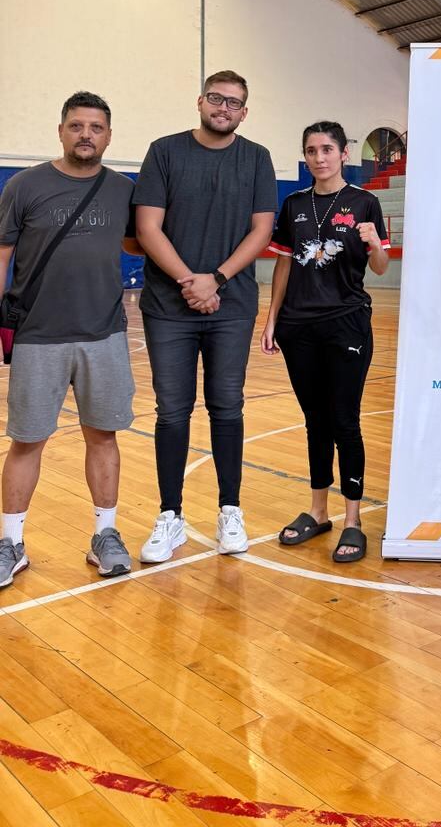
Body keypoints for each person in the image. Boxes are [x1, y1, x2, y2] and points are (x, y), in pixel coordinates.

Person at [134, 70, 276, 563]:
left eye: (234, 102)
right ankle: (169, 516)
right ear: (200, 101)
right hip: (168, 308)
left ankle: (229, 511)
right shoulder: (164, 151)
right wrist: (190, 283)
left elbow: (261, 231)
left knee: (227, 407)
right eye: (217, 99)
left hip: (231, 307)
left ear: (244, 111)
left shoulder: (256, 158)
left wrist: (214, 278)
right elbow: (148, 227)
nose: (224, 108)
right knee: (172, 411)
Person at [0, 92, 137, 587]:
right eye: (77, 125)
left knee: (103, 435)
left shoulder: (123, 189)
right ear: (61, 131)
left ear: (108, 135)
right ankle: (10, 543)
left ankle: (106, 535)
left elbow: (140, 240)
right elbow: (2, 254)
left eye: (96, 127)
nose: (86, 134)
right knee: (26, 440)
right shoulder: (25, 185)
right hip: (38, 335)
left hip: (104, 335)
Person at [260, 121, 389, 562]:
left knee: (344, 421)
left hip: (346, 324)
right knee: (315, 420)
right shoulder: (293, 203)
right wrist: (272, 318)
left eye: (327, 149)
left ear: (344, 154)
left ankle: (353, 520)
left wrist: (375, 244)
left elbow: (381, 268)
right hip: (299, 327)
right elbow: (282, 265)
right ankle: (319, 511)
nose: (319, 158)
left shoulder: (364, 201)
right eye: (312, 150)